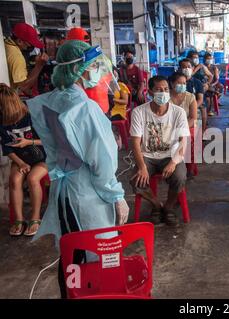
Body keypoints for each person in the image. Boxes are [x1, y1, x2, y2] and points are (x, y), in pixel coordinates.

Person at [26, 40, 128, 297]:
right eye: (94, 66)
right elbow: (101, 161)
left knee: (70, 253)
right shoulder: (85, 108)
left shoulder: (52, 100)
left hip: (64, 189)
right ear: (79, 69)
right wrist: (116, 196)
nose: (99, 72)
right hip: (88, 194)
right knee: (95, 255)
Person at [130, 75, 190, 227]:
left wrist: (173, 162)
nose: (163, 93)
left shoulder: (178, 112)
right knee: (136, 179)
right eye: (158, 90)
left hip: (170, 155)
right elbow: (135, 142)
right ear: (150, 92)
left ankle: (169, 208)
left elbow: (183, 141)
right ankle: (157, 206)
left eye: (165, 89)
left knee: (180, 176)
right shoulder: (139, 112)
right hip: (148, 156)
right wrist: (142, 166)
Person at [0, 84, 48, 237]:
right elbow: (7, 148)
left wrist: (29, 142)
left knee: (33, 179)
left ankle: (35, 217)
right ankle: (19, 220)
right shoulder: (2, 120)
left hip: (43, 157)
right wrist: (21, 163)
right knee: (14, 179)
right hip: (20, 158)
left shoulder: (31, 114)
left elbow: (50, 140)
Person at [4, 23, 49, 96]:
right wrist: (39, 66)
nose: (32, 48)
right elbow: (23, 87)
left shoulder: (6, 45)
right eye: (31, 45)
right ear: (19, 41)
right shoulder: (16, 56)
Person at [179, 58, 206, 132]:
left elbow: (200, 99)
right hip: (179, 107)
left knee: (200, 112)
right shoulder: (176, 82)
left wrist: (190, 109)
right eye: (184, 67)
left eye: (188, 67)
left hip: (193, 106)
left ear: (193, 68)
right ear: (179, 69)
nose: (186, 69)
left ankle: (199, 134)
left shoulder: (197, 82)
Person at [204, 52, 223, 116]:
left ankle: (215, 98)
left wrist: (213, 84)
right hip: (205, 84)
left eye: (210, 59)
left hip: (213, 84)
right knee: (209, 94)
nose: (209, 60)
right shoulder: (202, 67)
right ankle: (215, 94)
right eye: (207, 59)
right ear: (204, 59)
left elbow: (217, 79)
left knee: (219, 87)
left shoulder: (214, 67)